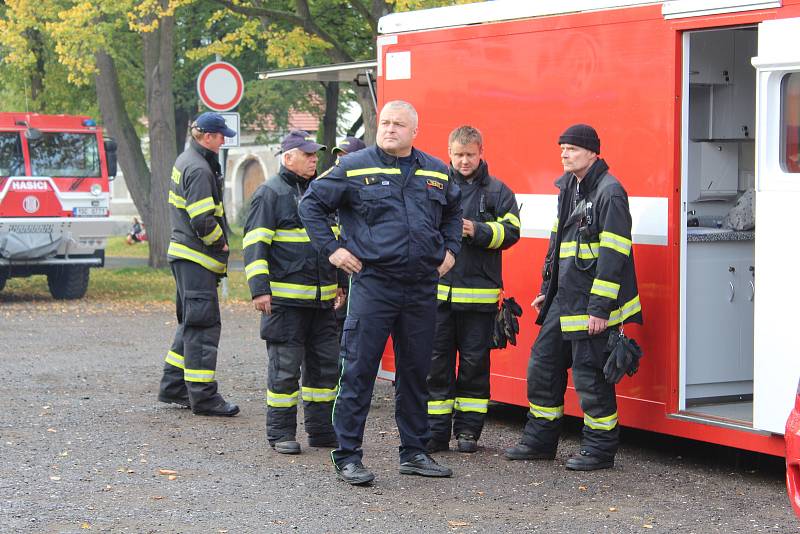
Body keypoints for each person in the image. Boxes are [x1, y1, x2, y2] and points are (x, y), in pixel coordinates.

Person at [299, 100, 463, 485]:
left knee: (415, 372)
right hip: (374, 284)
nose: (390, 129)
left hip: (422, 286)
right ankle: (348, 455)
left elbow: (455, 211)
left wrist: (451, 250)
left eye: (399, 124)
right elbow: (311, 205)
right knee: (358, 370)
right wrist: (333, 250)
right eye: (385, 123)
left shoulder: (436, 171)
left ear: (414, 131)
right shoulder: (354, 167)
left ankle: (414, 452)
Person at [504, 124, 642, 470]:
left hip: (590, 305)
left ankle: (599, 450)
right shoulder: (569, 187)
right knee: (543, 367)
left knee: (590, 377)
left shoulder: (610, 193)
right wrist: (546, 291)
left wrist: (600, 309)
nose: (565, 154)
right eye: (562, 148)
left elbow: (614, 256)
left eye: (572, 149)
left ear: (593, 152)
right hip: (563, 300)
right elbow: (558, 246)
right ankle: (540, 441)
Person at [243, 130, 343, 455]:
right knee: (285, 371)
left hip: (323, 302)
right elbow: (255, 245)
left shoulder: (320, 194)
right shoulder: (269, 194)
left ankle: (322, 431)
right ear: (288, 157)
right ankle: (281, 433)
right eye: (308, 154)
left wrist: (340, 283)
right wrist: (259, 290)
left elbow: (336, 242)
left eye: (316, 154)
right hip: (285, 303)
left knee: (325, 369)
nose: (315, 159)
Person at [427, 126, 520, 454]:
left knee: (474, 366)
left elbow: (512, 232)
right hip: (439, 297)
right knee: (436, 365)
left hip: (479, 298)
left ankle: (468, 432)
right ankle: (435, 433)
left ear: (481, 152)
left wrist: (477, 230)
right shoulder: (435, 187)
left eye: (470, 154)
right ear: (449, 153)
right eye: (458, 155)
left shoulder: (497, 191)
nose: (464, 161)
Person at [157, 112, 239, 417]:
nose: (223, 141)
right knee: (203, 326)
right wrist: (221, 242)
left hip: (186, 257)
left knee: (191, 323)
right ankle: (204, 398)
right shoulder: (199, 168)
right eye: (220, 136)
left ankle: (174, 387)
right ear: (207, 137)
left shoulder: (187, 160)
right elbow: (203, 219)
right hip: (196, 257)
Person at [329, 136, 367, 339]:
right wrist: (338, 282)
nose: (341, 163)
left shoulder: (368, 192)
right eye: (339, 158)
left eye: (347, 157)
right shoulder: (330, 192)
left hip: (363, 276)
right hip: (339, 277)